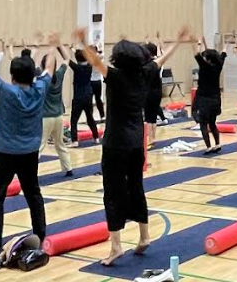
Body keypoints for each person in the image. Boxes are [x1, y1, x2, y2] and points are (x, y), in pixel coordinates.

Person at [78, 26, 191, 266]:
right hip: (136, 142)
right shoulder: (146, 72)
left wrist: (82, 41)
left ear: (118, 59)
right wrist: (179, 40)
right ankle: (144, 235)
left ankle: (116, 245)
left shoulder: (115, 76)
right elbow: (163, 57)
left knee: (113, 192)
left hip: (115, 143)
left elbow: (95, 61)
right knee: (137, 188)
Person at [0, 32, 53, 257]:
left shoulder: (6, 92)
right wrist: (53, 46)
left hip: (6, 153)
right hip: (29, 152)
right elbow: (49, 71)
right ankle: (41, 237)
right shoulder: (39, 90)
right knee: (33, 194)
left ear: (12, 75)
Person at [144, 33, 184, 145]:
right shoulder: (157, 62)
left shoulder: (146, 64)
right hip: (157, 90)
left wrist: (157, 40)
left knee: (148, 116)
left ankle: (150, 138)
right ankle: (153, 138)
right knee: (152, 115)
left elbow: (159, 50)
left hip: (148, 91)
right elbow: (163, 52)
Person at [40, 46, 73, 177]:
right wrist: (58, 45)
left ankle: (30, 171)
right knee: (60, 144)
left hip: (45, 117)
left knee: (40, 145)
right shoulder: (59, 75)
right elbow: (67, 58)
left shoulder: (42, 79)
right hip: (59, 116)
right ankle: (68, 168)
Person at [194, 37, 227, 154]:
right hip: (216, 99)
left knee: (203, 123)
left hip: (204, 99)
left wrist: (197, 43)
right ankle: (217, 144)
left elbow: (196, 54)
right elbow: (223, 52)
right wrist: (204, 42)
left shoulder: (204, 67)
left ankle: (208, 146)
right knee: (212, 122)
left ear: (207, 59)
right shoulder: (218, 66)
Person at [68, 47, 100, 147]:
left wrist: (59, 46)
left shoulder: (76, 68)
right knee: (90, 117)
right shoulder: (89, 67)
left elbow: (66, 58)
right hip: (88, 96)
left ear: (77, 59)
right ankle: (96, 137)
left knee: (74, 120)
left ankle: (74, 141)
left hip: (78, 97)